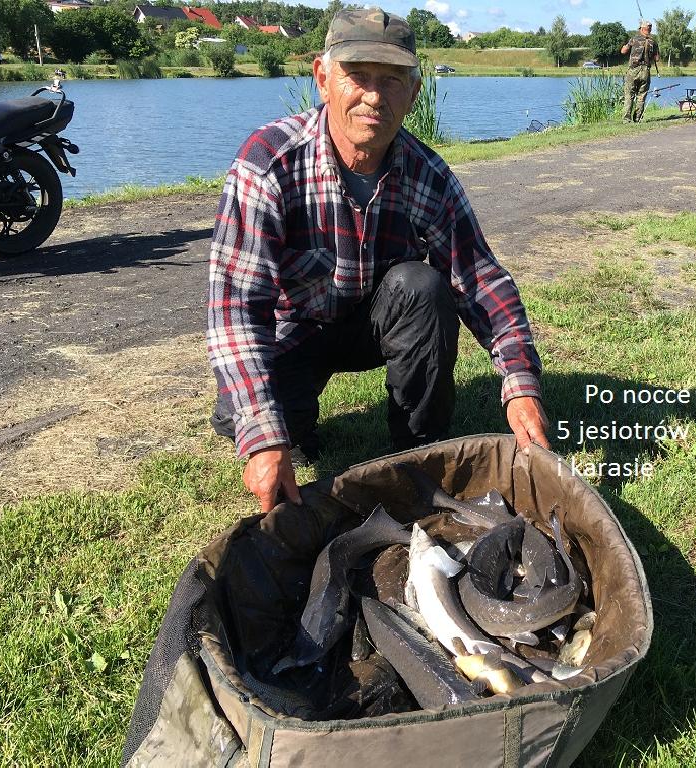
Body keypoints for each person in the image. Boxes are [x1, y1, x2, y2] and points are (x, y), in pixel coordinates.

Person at [207, 7, 549, 512]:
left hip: (376, 321)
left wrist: (520, 386)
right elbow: (237, 307)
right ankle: (282, 423)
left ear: (414, 93)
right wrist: (262, 433)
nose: (373, 96)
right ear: (323, 79)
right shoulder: (268, 163)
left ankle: (419, 447)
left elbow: (481, 280)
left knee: (423, 286)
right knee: (256, 420)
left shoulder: (428, 174)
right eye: (357, 76)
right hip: (294, 330)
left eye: (391, 80)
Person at [621, 20, 659, 122]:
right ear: (649, 29)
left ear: (641, 29)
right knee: (641, 95)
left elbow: (623, 51)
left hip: (633, 70)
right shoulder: (653, 42)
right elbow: (657, 58)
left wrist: (625, 46)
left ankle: (626, 119)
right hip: (646, 71)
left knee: (629, 94)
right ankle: (637, 118)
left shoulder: (634, 39)